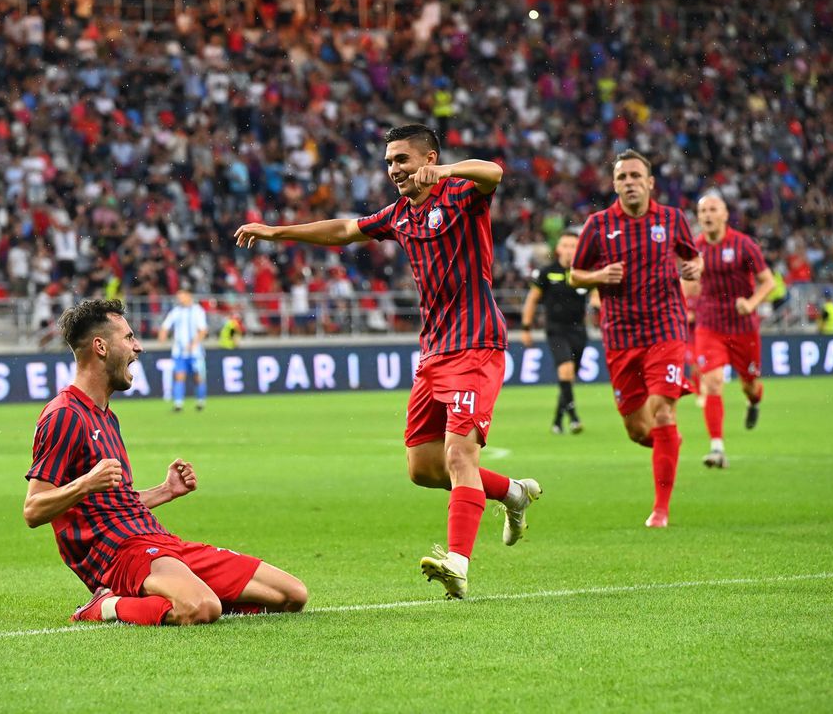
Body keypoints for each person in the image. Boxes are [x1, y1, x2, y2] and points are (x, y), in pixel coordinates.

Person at [236, 123, 541, 600]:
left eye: (402, 159)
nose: (394, 169)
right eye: (389, 162)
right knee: (424, 468)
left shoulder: (462, 194)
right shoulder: (399, 215)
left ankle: (458, 562)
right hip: (434, 351)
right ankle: (513, 492)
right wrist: (278, 232)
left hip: (476, 344)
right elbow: (343, 230)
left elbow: (494, 172)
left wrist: (446, 170)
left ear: (428, 157)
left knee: (460, 454)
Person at [24, 299, 307, 625]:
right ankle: (103, 606)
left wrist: (165, 491)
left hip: (156, 540)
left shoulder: (107, 417)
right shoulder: (64, 415)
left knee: (291, 595)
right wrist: (86, 482)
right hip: (120, 553)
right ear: (101, 347)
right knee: (200, 608)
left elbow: (113, 502)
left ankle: (182, 592)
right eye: (129, 338)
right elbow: (33, 510)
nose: (138, 347)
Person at [570, 150, 702, 528]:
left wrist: (695, 266)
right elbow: (575, 275)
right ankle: (668, 444)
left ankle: (660, 509)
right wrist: (599, 276)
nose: (628, 182)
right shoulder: (597, 225)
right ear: (614, 185)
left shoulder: (672, 219)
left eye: (634, 176)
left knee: (662, 410)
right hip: (621, 336)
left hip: (666, 328)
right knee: (638, 429)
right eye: (622, 177)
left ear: (649, 183)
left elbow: (694, 260)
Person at [682, 191, 776, 469]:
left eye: (713, 210)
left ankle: (754, 401)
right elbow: (688, 286)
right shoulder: (694, 249)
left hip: (743, 326)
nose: (707, 216)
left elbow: (768, 282)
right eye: (703, 212)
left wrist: (752, 302)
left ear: (724, 215)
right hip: (709, 325)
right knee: (712, 382)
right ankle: (717, 448)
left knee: (749, 384)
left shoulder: (744, 245)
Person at [520, 229, 600, 435]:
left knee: (569, 376)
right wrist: (526, 328)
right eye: (565, 246)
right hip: (556, 330)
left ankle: (557, 421)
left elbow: (596, 294)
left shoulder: (583, 272)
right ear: (558, 249)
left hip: (579, 331)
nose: (569, 251)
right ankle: (574, 419)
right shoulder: (547, 272)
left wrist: (597, 305)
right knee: (565, 370)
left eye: (573, 246)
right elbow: (532, 299)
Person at [158, 288, 208, 412]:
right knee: (179, 376)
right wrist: (163, 334)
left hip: (195, 352)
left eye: (181, 296)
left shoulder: (197, 310)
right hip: (179, 352)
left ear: (188, 296)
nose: (179, 299)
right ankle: (178, 404)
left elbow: (203, 330)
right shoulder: (176, 311)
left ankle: (200, 402)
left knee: (198, 377)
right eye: (178, 297)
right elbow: (165, 325)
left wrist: (194, 344)